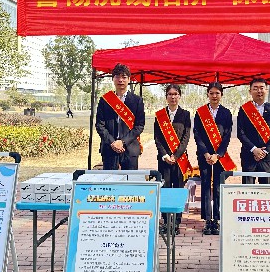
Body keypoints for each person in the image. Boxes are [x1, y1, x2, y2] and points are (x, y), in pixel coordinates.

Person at [194, 82, 236, 235]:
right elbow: (197, 134)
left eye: (217, 93)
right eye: (211, 93)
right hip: (204, 155)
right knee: (205, 185)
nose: (214, 96)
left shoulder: (226, 113)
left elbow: (227, 136)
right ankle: (207, 219)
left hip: (220, 156)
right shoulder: (200, 112)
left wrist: (218, 155)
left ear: (221, 95)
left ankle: (216, 219)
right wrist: (206, 153)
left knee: (218, 186)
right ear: (207, 94)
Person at [154, 84, 192, 235]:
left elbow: (186, 138)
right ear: (166, 97)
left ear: (179, 96)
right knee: (165, 189)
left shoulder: (185, 114)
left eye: (175, 94)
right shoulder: (160, 115)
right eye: (170, 94)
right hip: (164, 159)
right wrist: (165, 155)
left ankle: (176, 223)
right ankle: (165, 221)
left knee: (177, 189)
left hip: (179, 159)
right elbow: (157, 138)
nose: (173, 97)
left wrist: (176, 156)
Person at [95, 63, 145, 170]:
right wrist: (113, 142)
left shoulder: (137, 101)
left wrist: (122, 142)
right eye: (117, 76)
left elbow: (139, 126)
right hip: (109, 148)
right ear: (113, 79)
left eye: (124, 77)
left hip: (130, 149)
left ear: (129, 79)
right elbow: (100, 125)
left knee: (130, 179)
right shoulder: (105, 100)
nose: (120, 80)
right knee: (109, 179)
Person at [237, 77, 270, 184]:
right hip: (248, 155)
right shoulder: (244, 109)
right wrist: (254, 149)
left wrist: (265, 151)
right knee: (247, 189)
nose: (259, 91)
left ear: (266, 90)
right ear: (250, 91)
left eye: (261, 88)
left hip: (267, 157)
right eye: (255, 88)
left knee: (266, 189)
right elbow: (240, 133)